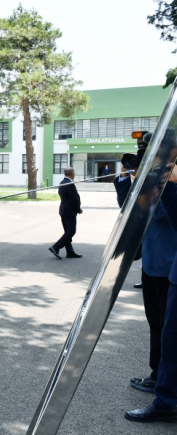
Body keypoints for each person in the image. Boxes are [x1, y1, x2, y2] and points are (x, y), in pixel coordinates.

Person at [115, 163, 177, 393]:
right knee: (155, 323)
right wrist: (125, 178)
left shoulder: (170, 184)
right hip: (151, 264)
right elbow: (129, 209)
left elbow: (160, 213)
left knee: (165, 327)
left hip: (166, 267)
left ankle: (162, 377)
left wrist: (158, 184)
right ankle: (156, 372)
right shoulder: (154, 186)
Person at [49, 168, 83, 260]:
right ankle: (56, 247)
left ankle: (70, 251)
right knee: (71, 231)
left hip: (63, 210)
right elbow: (73, 199)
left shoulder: (62, 182)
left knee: (67, 232)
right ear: (72, 174)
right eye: (74, 173)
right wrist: (78, 209)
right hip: (69, 211)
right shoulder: (70, 184)